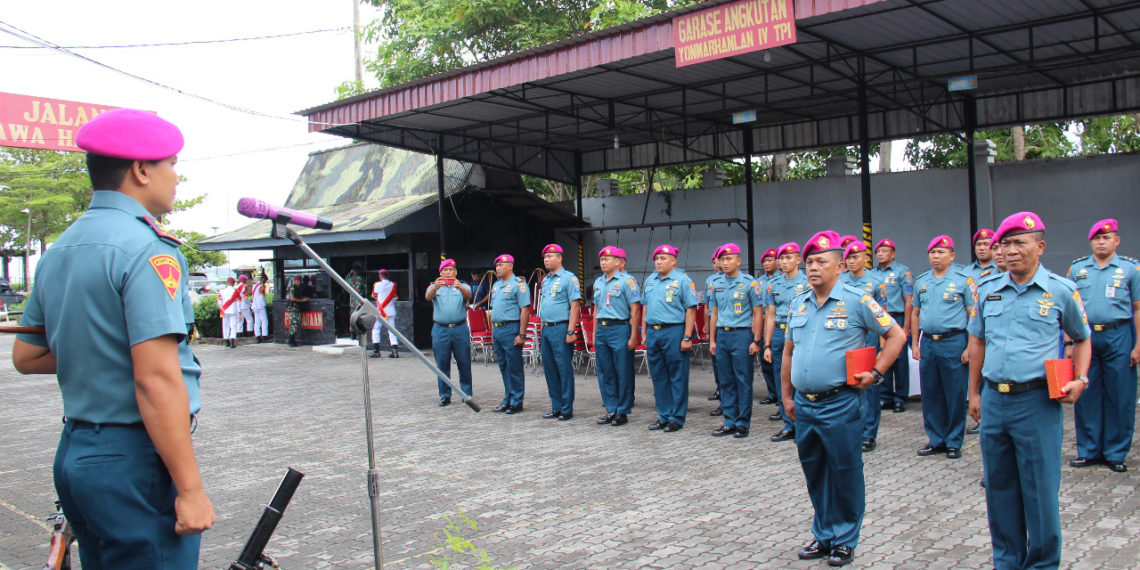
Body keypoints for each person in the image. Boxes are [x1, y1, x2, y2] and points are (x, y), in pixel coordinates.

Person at [12, 107, 215, 567]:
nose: (176, 177)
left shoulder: (59, 250)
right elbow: (156, 380)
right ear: (142, 170)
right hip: (133, 460)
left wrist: (97, 351)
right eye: (172, 164)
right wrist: (190, 489)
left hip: (77, 455)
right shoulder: (149, 249)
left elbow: (27, 356)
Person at [968, 211, 1091, 570]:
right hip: (994, 401)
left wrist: (1081, 379)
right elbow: (977, 342)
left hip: (1037, 402)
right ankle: (1007, 560)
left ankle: (1041, 563)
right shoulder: (988, 290)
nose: (1011, 250)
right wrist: (973, 393)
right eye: (1005, 243)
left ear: (1040, 246)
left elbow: (1082, 339)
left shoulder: (1060, 290)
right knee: (999, 488)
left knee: (1039, 493)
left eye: (1019, 242)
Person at [784, 230, 905, 568]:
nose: (813, 267)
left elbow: (896, 335)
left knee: (845, 471)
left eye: (821, 261)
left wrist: (878, 373)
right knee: (815, 472)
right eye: (809, 262)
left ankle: (845, 538)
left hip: (840, 402)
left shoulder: (857, 300)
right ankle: (823, 534)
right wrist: (786, 396)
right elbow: (788, 353)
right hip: (805, 404)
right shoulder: (799, 303)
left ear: (839, 267)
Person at [1066, 218, 1140, 472]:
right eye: (1096, 238)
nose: (1101, 242)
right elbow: (1069, 309)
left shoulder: (1131, 269)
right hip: (1086, 338)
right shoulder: (1078, 269)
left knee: (1120, 394)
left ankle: (1116, 452)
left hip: (1118, 335)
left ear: (1116, 240)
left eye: (1106, 238)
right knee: (1086, 393)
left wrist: (1138, 344)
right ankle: (1088, 450)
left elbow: (1138, 308)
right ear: (1091, 242)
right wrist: (1067, 342)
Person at [911, 236, 973, 460]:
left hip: (954, 342)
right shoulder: (922, 281)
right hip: (928, 342)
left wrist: (969, 347)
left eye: (941, 252)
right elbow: (915, 313)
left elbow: (971, 314)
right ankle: (936, 439)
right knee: (931, 393)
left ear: (952, 256)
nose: (936, 256)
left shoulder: (963, 280)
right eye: (933, 252)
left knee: (954, 394)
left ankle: (954, 441)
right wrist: (915, 343)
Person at [707, 243, 765, 439]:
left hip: (742, 335)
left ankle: (742, 422)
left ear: (738, 261)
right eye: (722, 259)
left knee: (743, 380)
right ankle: (729, 420)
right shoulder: (717, 284)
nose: (724, 263)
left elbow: (758, 313)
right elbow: (714, 312)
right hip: (723, 334)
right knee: (726, 380)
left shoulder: (750, 283)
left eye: (729, 259)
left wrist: (756, 339)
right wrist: (712, 339)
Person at [641, 244, 698, 433]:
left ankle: (677, 417)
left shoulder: (683, 281)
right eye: (656, 259)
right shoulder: (650, 280)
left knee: (677, 375)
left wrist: (687, 336)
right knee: (658, 376)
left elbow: (691, 309)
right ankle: (663, 415)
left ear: (673, 261)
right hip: (653, 332)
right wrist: (644, 332)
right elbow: (645, 307)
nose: (658, 262)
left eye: (663, 258)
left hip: (674, 331)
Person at [841, 240, 887, 452]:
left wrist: (884, 345)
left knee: (868, 389)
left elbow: (883, 319)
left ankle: (869, 433)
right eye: (848, 257)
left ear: (866, 258)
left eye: (855, 256)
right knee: (845, 388)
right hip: (844, 339)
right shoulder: (839, 281)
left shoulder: (876, 282)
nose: (851, 261)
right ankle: (850, 430)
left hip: (867, 339)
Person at [763, 241, 808, 442]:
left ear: (798, 260)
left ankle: (804, 424)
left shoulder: (808, 283)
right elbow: (770, 315)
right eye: (781, 258)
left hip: (801, 333)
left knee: (801, 379)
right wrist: (767, 343)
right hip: (780, 334)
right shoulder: (774, 285)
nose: (784, 261)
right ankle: (788, 423)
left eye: (789, 257)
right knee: (783, 379)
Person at [591, 246, 641, 427]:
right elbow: (596, 308)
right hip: (603, 329)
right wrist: (595, 333)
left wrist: (633, 335)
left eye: (607, 259)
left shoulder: (628, 282)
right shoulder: (598, 282)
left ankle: (622, 411)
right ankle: (611, 409)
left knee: (623, 370)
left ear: (619, 262)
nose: (603, 262)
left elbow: (635, 310)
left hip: (620, 328)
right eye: (602, 259)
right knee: (605, 371)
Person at [538, 244, 583, 421]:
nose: (546, 260)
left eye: (550, 256)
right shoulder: (546, 280)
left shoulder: (568, 278)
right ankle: (555, 406)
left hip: (562, 327)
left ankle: (566, 408)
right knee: (549, 369)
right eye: (545, 257)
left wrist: (571, 330)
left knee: (563, 368)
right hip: (547, 328)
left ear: (560, 258)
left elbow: (575, 306)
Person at [874, 238, 915, 413]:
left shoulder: (902, 272)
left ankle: (900, 397)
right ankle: (886, 395)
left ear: (893, 254)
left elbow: (908, 301)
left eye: (885, 251)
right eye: (879, 251)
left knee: (900, 360)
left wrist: (906, 327)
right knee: (883, 356)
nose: (881, 254)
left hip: (896, 318)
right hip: (878, 320)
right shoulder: (872, 274)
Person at [427, 259, 474, 407]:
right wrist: (435, 287)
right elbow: (428, 296)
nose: (448, 273)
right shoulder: (434, 286)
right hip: (441, 329)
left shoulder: (463, 285)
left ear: (456, 272)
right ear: (440, 273)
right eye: (445, 270)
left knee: (464, 362)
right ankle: (445, 395)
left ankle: (466, 394)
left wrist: (460, 288)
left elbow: (469, 296)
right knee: (442, 363)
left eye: (451, 270)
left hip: (459, 329)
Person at [489, 254, 529, 413]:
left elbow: (525, 310)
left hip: (511, 328)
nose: (497, 268)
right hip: (497, 329)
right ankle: (508, 398)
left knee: (514, 366)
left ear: (510, 266)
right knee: (504, 366)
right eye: (497, 265)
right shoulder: (497, 286)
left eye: (501, 265)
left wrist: (522, 334)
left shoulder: (518, 285)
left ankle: (517, 401)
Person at [757, 247, 779, 405]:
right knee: (764, 360)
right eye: (764, 261)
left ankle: (781, 393)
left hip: (777, 322)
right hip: (763, 321)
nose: (766, 263)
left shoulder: (781, 279)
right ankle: (772, 391)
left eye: (770, 260)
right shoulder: (759, 282)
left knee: (778, 362)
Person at [705, 252, 725, 412]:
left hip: (728, 324)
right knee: (717, 361)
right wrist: (706, 327)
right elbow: (707, 306)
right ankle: (720, 390)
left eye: (719, 260)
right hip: (714, 322)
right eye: (714, 262)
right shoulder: (710, 281)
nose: (717, 264)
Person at [370, 269, 400, 358]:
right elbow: (395, 297)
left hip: (380, 311)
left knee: (376, 330)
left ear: (380, 276)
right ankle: (395, 352)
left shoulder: (377, 285)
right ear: (388, 276)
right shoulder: (393, 285)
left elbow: (374, 295)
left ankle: (376, 351)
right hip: (391, 311)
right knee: (392, 331)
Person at [285, 275, 310, 347]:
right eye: (298, 280)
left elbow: (298, 296)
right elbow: (292, 298)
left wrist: (304, 298)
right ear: (295, 281)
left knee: (296, 324)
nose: (300, 282)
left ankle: (293, 340)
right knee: (294, 325)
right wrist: (302, 300)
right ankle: (291, 341)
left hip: (297, 308)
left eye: (300, 280)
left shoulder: (297, 288)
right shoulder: (293, 288)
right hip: (294, 308)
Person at [218, 276, 241, 348]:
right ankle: (232, 341)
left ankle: (226, 341)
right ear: (233, 283)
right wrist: (239, 312)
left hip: (224, 310)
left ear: (228, 283)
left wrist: (221, 308)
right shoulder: (236, 291)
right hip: (233, 309)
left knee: (225, 325)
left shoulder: (222, 291)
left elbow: (219, 302)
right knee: (233, 325)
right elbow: (238, 302)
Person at [347, 264, 365, 339]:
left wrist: (349, 273)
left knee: (352, 317)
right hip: (359, 301)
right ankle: (359, 334)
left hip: (352, 301)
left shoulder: (349, 278)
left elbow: (344, 281)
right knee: (360, 317)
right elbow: (365, 288)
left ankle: (352, 334)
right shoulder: (361, 278)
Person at [251, 273, 269, 343]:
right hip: (260, 306)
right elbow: (261, 296)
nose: (266, 282)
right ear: (263, 279)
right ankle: (264, 336)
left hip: (255, 306)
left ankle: (258, 337)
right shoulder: (261, 286)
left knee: (257, 322)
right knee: (264, 321)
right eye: (265, 280)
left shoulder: (255, 286)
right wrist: (264, 304)